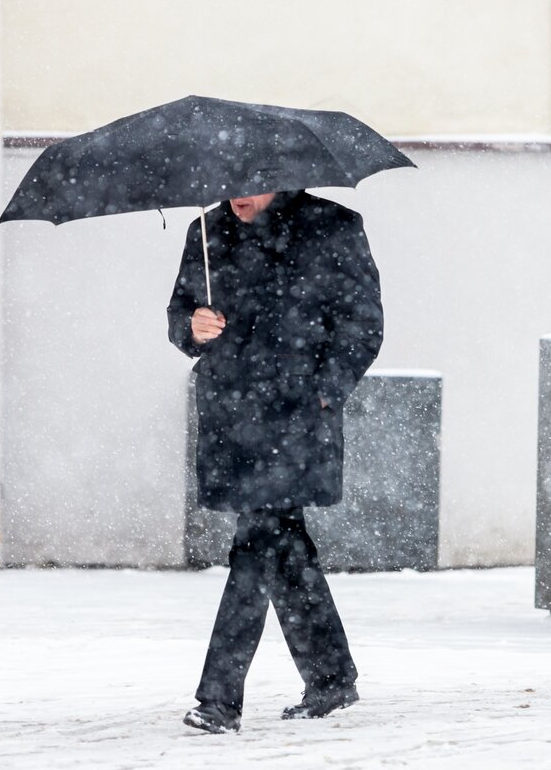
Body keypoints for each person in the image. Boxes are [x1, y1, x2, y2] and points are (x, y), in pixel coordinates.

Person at [168, 189, 383, 733]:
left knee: (257, 541)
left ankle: (219, 698)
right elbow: (180, 312)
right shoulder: (207, 232)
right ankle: (332, 677)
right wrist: (191, 327)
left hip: (297, 419)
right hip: (231, 417)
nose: (236, 196)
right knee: (282, 546)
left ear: (280, 178)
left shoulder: (332, 226)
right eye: (229, 185)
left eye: (250, 184)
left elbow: (363, 324)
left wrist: (324, 391)